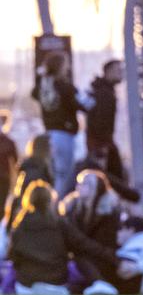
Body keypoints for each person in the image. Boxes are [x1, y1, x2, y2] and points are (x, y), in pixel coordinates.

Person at [5, 182, 116, 295]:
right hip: (56, 281)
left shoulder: (20, 226)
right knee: (79, 254)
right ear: (50, 199)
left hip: (26, 283)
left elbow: (13, 255)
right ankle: (99, 282)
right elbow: (82, 244)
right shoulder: (59, 223)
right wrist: (111, 256)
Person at [59, 169, 126, 295]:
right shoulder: (71, 208)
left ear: (95, 188)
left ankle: (99, 283)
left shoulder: (109, 212)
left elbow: (106, 242)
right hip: (86, 255)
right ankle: (98, 284)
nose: (78, 186)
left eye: (84, 184)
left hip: (102, 258)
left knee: (82, 259)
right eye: (79, 183)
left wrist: (107, 255)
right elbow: (75, 241)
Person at [31, 52, 84, 196]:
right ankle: (57, 207)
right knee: (64, 175)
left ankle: (52, 201)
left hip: (50, 134)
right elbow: (84, 105)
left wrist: (41, 75)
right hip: (64, 134)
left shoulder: (44, 86)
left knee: (54, 172)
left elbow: (34, 92)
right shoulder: (65, 88)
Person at [84, 59, 126, 182]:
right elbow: (100, 122)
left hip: (101, 143)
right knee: (112, 179)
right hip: (101, 144)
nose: (121, 73)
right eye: (118, 70)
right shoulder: (104, 93)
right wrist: (103, 145)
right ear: (108, 72)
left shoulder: (102, 91)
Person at [5, 135, 54, 233]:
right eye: (51, 146)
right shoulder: (35, 172)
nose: (54, 149)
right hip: (31, 225)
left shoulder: (34, 168)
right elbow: (29, 200)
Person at [0, 111, 18, 215]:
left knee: (1, 205)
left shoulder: (9, 142)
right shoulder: (9, 142)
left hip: (3, 179)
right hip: (4, 178)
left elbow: (15, 163)